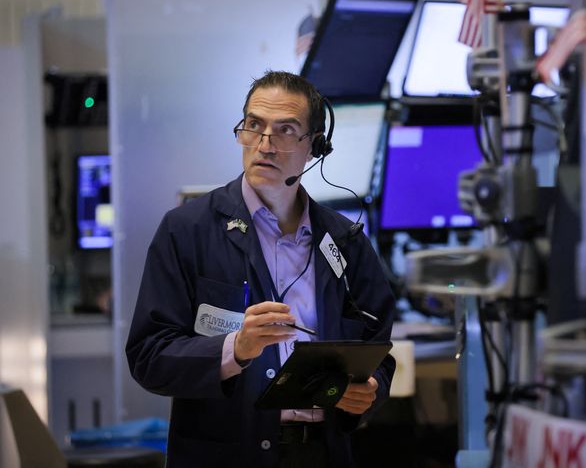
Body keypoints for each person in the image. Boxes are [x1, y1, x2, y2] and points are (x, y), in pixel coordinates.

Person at [126, 70, 396, 467]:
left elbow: (379, 350)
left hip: (322, 454)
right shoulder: (188, 230)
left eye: (286, 130)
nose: (265, 145)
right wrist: (235, 349)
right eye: (254, 126)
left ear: (315, 147)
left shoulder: (345, 241)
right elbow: (149, 357)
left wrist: (370, 389)